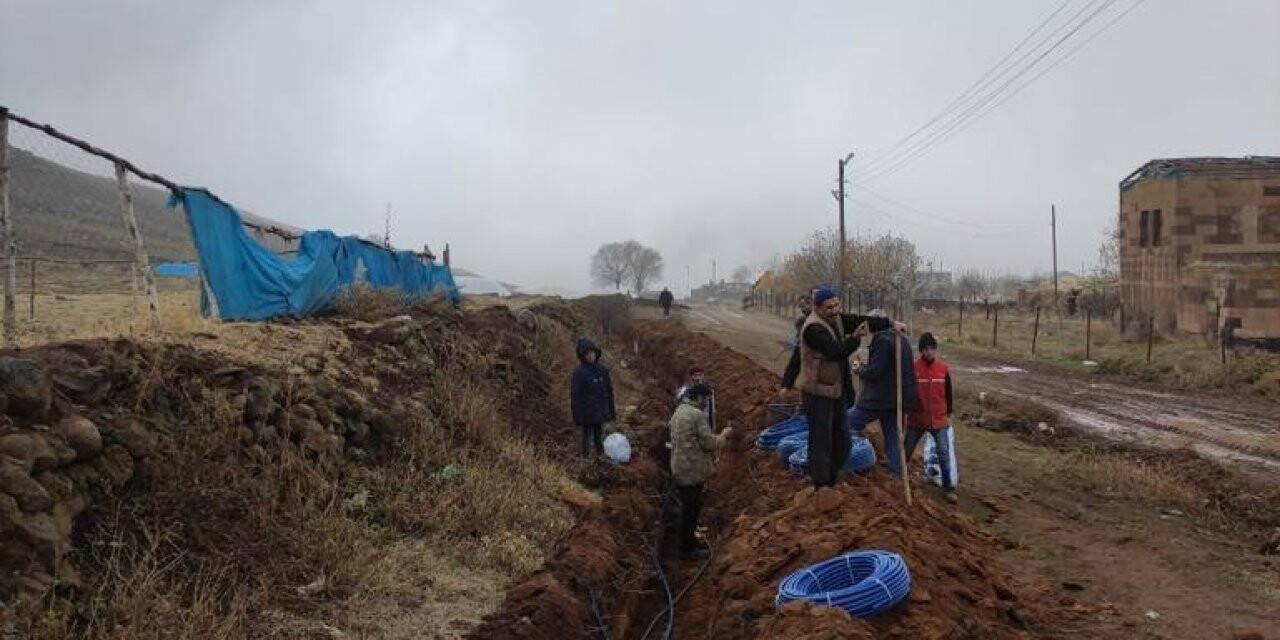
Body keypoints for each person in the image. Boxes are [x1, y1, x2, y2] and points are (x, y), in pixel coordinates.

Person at [794, 285, 894, 487]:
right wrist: (855, 339)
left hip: (835, 390)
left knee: (842, 439)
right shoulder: (813, 328)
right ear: (818, 308)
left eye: (837, 305)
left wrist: (891, 323)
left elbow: (862, 321)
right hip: (817, 392)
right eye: (829, 307)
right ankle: (821, 484)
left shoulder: (836, 319)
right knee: (821, 439)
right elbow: (835, 352)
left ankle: (831, 475)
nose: (835, 310)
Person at [845, 312, 917, 477]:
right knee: (892, 434)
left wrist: (859, 369)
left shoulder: (882, 340)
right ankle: (897, 471)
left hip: (879, 398)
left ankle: (850, 457)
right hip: (896, 399)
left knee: (847, 421)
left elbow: (875, 372)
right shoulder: (900, 338)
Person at [668, 381, 732, 555]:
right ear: (699, 397)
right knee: (691, 509)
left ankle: (688, 541)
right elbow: (709, 444)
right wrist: (724, 436)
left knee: (688, 507)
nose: (707, 403)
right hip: (691, 471)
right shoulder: (697, 415)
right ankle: (687, 548)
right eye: (706, 399)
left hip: (679, 467)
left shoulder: (679, 412)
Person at [904, 332, 958, 502]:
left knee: (943, 452)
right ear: (922, 350)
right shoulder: (913, 368)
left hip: (938, 419)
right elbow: (907, 393)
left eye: (933, 349)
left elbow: (948, 393)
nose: (930, 352)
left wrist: (948, 412)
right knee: (906, 450)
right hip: (917, 419)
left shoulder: (943, 369)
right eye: (927, 349)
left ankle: (948, 488)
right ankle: (898, 479)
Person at [570, 337, 616, 458]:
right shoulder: (579, 373)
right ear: (582, 356)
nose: (590, 356)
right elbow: (575, 396)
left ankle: (600, 458)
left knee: (599, 436)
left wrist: (611, 412)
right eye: (587, 354)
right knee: (586, 437)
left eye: (592, 353)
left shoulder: (603, 371)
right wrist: (577, 416)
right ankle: (586, 460)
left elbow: (609, 392)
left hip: (600, 413)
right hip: (586, 414)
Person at [780, 292, 814, 393]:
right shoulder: (802, 320)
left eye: (804, 306)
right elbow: (795, 361)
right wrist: (786, 384)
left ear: (811, 304)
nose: (802, 309)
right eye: (801, 307)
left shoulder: (820, 319)